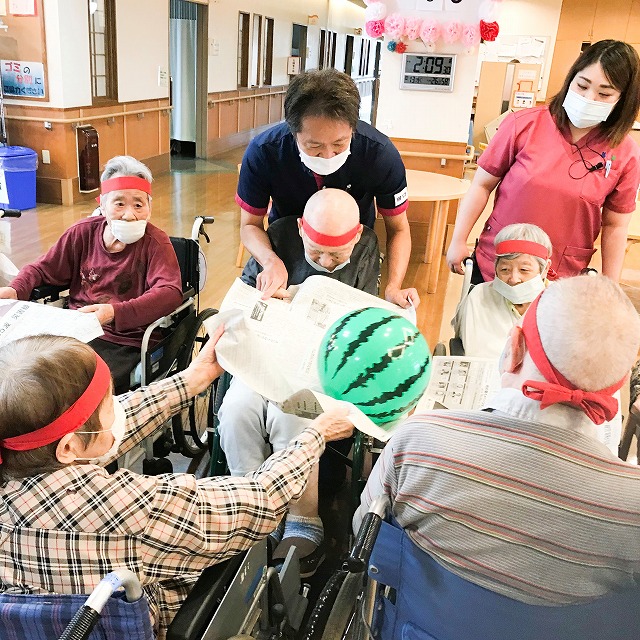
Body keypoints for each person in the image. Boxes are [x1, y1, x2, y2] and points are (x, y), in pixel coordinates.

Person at [0, 329, 353, 640]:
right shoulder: (130, 510)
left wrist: (192, 380)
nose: (118, 411)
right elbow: (260, 501)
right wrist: (315, 436)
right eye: (110, 406)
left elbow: (111, 425)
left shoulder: (23, 454)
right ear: (69, 447)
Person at [356, 275, 640, 605]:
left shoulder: (418, 441)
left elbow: (365, 532)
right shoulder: (632, 506)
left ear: (515, 347)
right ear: (619, 382)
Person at [219, 188, 380, 577]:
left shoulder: (367, 247)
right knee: (237, 411)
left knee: (292, 417)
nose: (326, 262)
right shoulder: (278, 235)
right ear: (302, 230)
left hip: (317, 371)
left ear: (356, 236)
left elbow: (366, 319)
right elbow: (241, 305)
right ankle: (254, 510)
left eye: (336, 256)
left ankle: (303, 515)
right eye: (316, 252)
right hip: (262, 358)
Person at [447, 40, 640, 283]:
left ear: (622, 99)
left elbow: (615, 227)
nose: (589, 98)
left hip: (561, 276)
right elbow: (481, 185)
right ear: (571, 79)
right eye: (582, 85)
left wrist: (610, 285)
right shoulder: (524, 124)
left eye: (604, 94)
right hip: (497, 264)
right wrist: (457, 240)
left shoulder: (624, 153)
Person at [236, 68, 419, 309]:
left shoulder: (379, 154)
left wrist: (393, 286)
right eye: (314, 146)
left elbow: (398, 229)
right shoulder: (264, 152)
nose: (328, 155)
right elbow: (250, 225)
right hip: (286, 247)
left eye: (339, 144)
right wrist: (270, 260)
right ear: (293, 132)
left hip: (350, 252)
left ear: (353, 128)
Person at [0, 156, 183, 393]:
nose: (129, 215)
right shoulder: (82, 234)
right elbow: (43, 268)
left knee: (80, 388)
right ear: (103, 206)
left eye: (138, 205)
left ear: (149, 209)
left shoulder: (156, 242)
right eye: (119, 204)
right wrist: (15, 289)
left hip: (126, 340)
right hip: (75, 330)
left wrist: (114, 313)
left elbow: (169, 293)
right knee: (28, 376)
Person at [452, 223, 552, 359]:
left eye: (524, 270)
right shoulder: (479, 297)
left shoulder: (561, 302)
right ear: (495, 267)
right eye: (505, 269)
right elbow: (475, 353)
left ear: (545, 269)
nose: (514, 279)